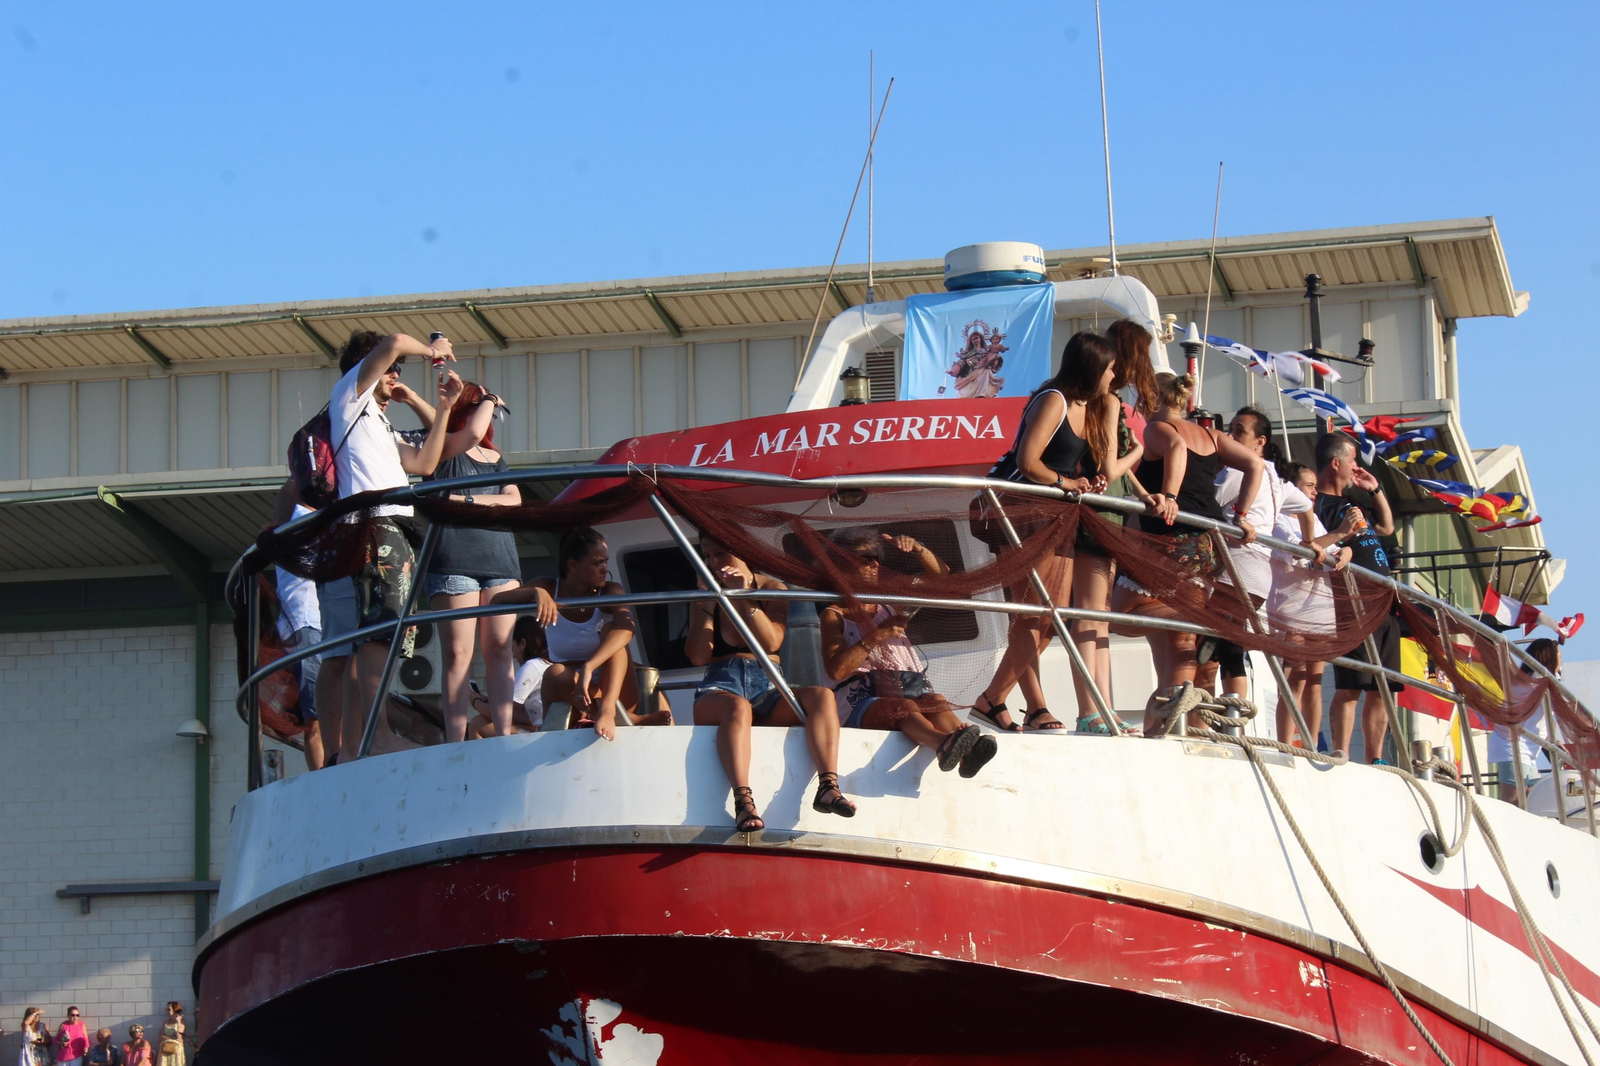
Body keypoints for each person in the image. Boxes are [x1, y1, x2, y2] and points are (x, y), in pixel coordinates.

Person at [971, 331, 1148, 735]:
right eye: (1110, 367)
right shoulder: (1054, 400)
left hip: (1052, 516)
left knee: (1045, 617)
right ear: (1090, 368)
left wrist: (1087, 482)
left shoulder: (1091, 406)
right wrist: (1063, 482)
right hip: (1018, 512)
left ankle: (995, 700)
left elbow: (1087, 465)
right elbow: (1027, 461)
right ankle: (994, 699)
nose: (1115, 374)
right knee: (1038, 616)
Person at [329, 329, 464, 762]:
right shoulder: (350, 394)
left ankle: (356, 744)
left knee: (377, 632)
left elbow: (424, 463)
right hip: (375, 522)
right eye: (390, 369)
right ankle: (378, 733)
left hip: (393, 525)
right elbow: (392, 341)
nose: (395, 374)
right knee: (380, 631)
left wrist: (442, 410)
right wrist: (433, 351)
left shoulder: (377, 420)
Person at [1108, 373, 1263, 730]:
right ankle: (1171, 732)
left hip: (1173, 538)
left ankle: (1208, 615)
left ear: (1151, 400)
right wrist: (1240, 514)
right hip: (1209, 541)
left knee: (1120, 613)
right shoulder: (1210, 435)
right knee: (1179, 650)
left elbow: (1176, 448)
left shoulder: (1157, 429)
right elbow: (1254, 464)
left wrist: (1171, 496)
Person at [688, 534, 855, 832]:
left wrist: (743, 596)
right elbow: (699, 656)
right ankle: (743, 802)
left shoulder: (772, 588)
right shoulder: (706, 593)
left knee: (821, 696)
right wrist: (704, 603)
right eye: (707, 556)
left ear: (741, 551)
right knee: (737, 708)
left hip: (767, 686)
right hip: (719, 685)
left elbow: (772, 641)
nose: (713, 563)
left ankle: (828, 786)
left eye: (720, 553)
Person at [820, 527, 998, 779]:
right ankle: (942, 743)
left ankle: (967, 747)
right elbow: (836, 669)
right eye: (864, 558)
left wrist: (918, 548)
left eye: (876, 558)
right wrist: (876, 635)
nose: (873, 564)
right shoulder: (834, 614)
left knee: (935, 700)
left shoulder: (889, 602)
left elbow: (941, 576)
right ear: (842, 565)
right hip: (858, 701)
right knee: (901, 706)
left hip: (905, 688)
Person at [409, 383, 523, 743]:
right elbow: (472, 432)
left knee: (500, 649)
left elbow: (515, 500)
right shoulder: (442, 449)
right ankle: (455, 742)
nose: (486, 413)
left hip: (501, 562)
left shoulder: (496, 459)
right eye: (479, 405)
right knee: (458, 654)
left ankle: (503, 734)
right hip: (453, 561)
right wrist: (491, 396)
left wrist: (466, 500)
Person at [494, 527, 671, 740]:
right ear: (573, 565)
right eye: (598, 563)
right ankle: (629, 718)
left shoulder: (611, 591)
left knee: (612, 632)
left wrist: (590, 666)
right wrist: (536, 592)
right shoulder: (549, 587)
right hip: (569, 688)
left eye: (606, 561)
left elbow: (627, 629)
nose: (605, 568)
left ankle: (608, 711)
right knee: (554, 672)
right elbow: (497, 600)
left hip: (614, 688)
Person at [1314, 432, 1402, 762]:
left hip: (1384, 602)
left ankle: (1376, 758)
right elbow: (1313, 542)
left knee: (1384, 687)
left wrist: (1375, 489)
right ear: (1335, 463)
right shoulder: (1317, 503)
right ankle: (1342, 753)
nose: (1356, 468)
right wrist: (1342, 537)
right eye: (1352, 460)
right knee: (1351, 684)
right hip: (1353, 601)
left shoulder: (1355, 502)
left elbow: (1387, 528)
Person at [1269, 462, 1355, 747]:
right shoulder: (1279, 517)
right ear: (1292, 488)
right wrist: (1341, 533)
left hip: (1318, 605)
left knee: (1314, 683)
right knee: (1294, 681)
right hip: (1292, 606)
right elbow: (1300, 549)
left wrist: (1346, 549)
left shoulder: (1314, 518)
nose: (1315, 491)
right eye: (1308, 485)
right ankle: (1285, 744)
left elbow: (1327, 549)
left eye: (1315, 487)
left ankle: (1310, 746)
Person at [274, 517, 324, 769]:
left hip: (308, 626)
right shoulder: (303, 523)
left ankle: (328, 774)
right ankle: (324, 779)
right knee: (316, 719)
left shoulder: (293, 525)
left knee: (321, 715)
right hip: (307, 626)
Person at [1490, 638, 1561, 802]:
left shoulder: (1529, 680)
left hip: (1528, 750)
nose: (1560, 661)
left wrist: (1559, 746)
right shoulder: (1539, 682)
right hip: (1513, 746)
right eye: (1559, 656)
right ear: (1549, 658)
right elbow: (1562, 712)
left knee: (1533, 796)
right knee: (1514, 800)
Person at [471, 615, 552, 737]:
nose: (513, 654)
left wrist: (474, 701)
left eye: (512, 646)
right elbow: (525, 715)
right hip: (546, 728)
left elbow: (502, 712)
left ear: (522, 643)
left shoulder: (532, 666)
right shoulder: (545, 664)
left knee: (477, 723)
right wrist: (491, 700)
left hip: (543, 734)